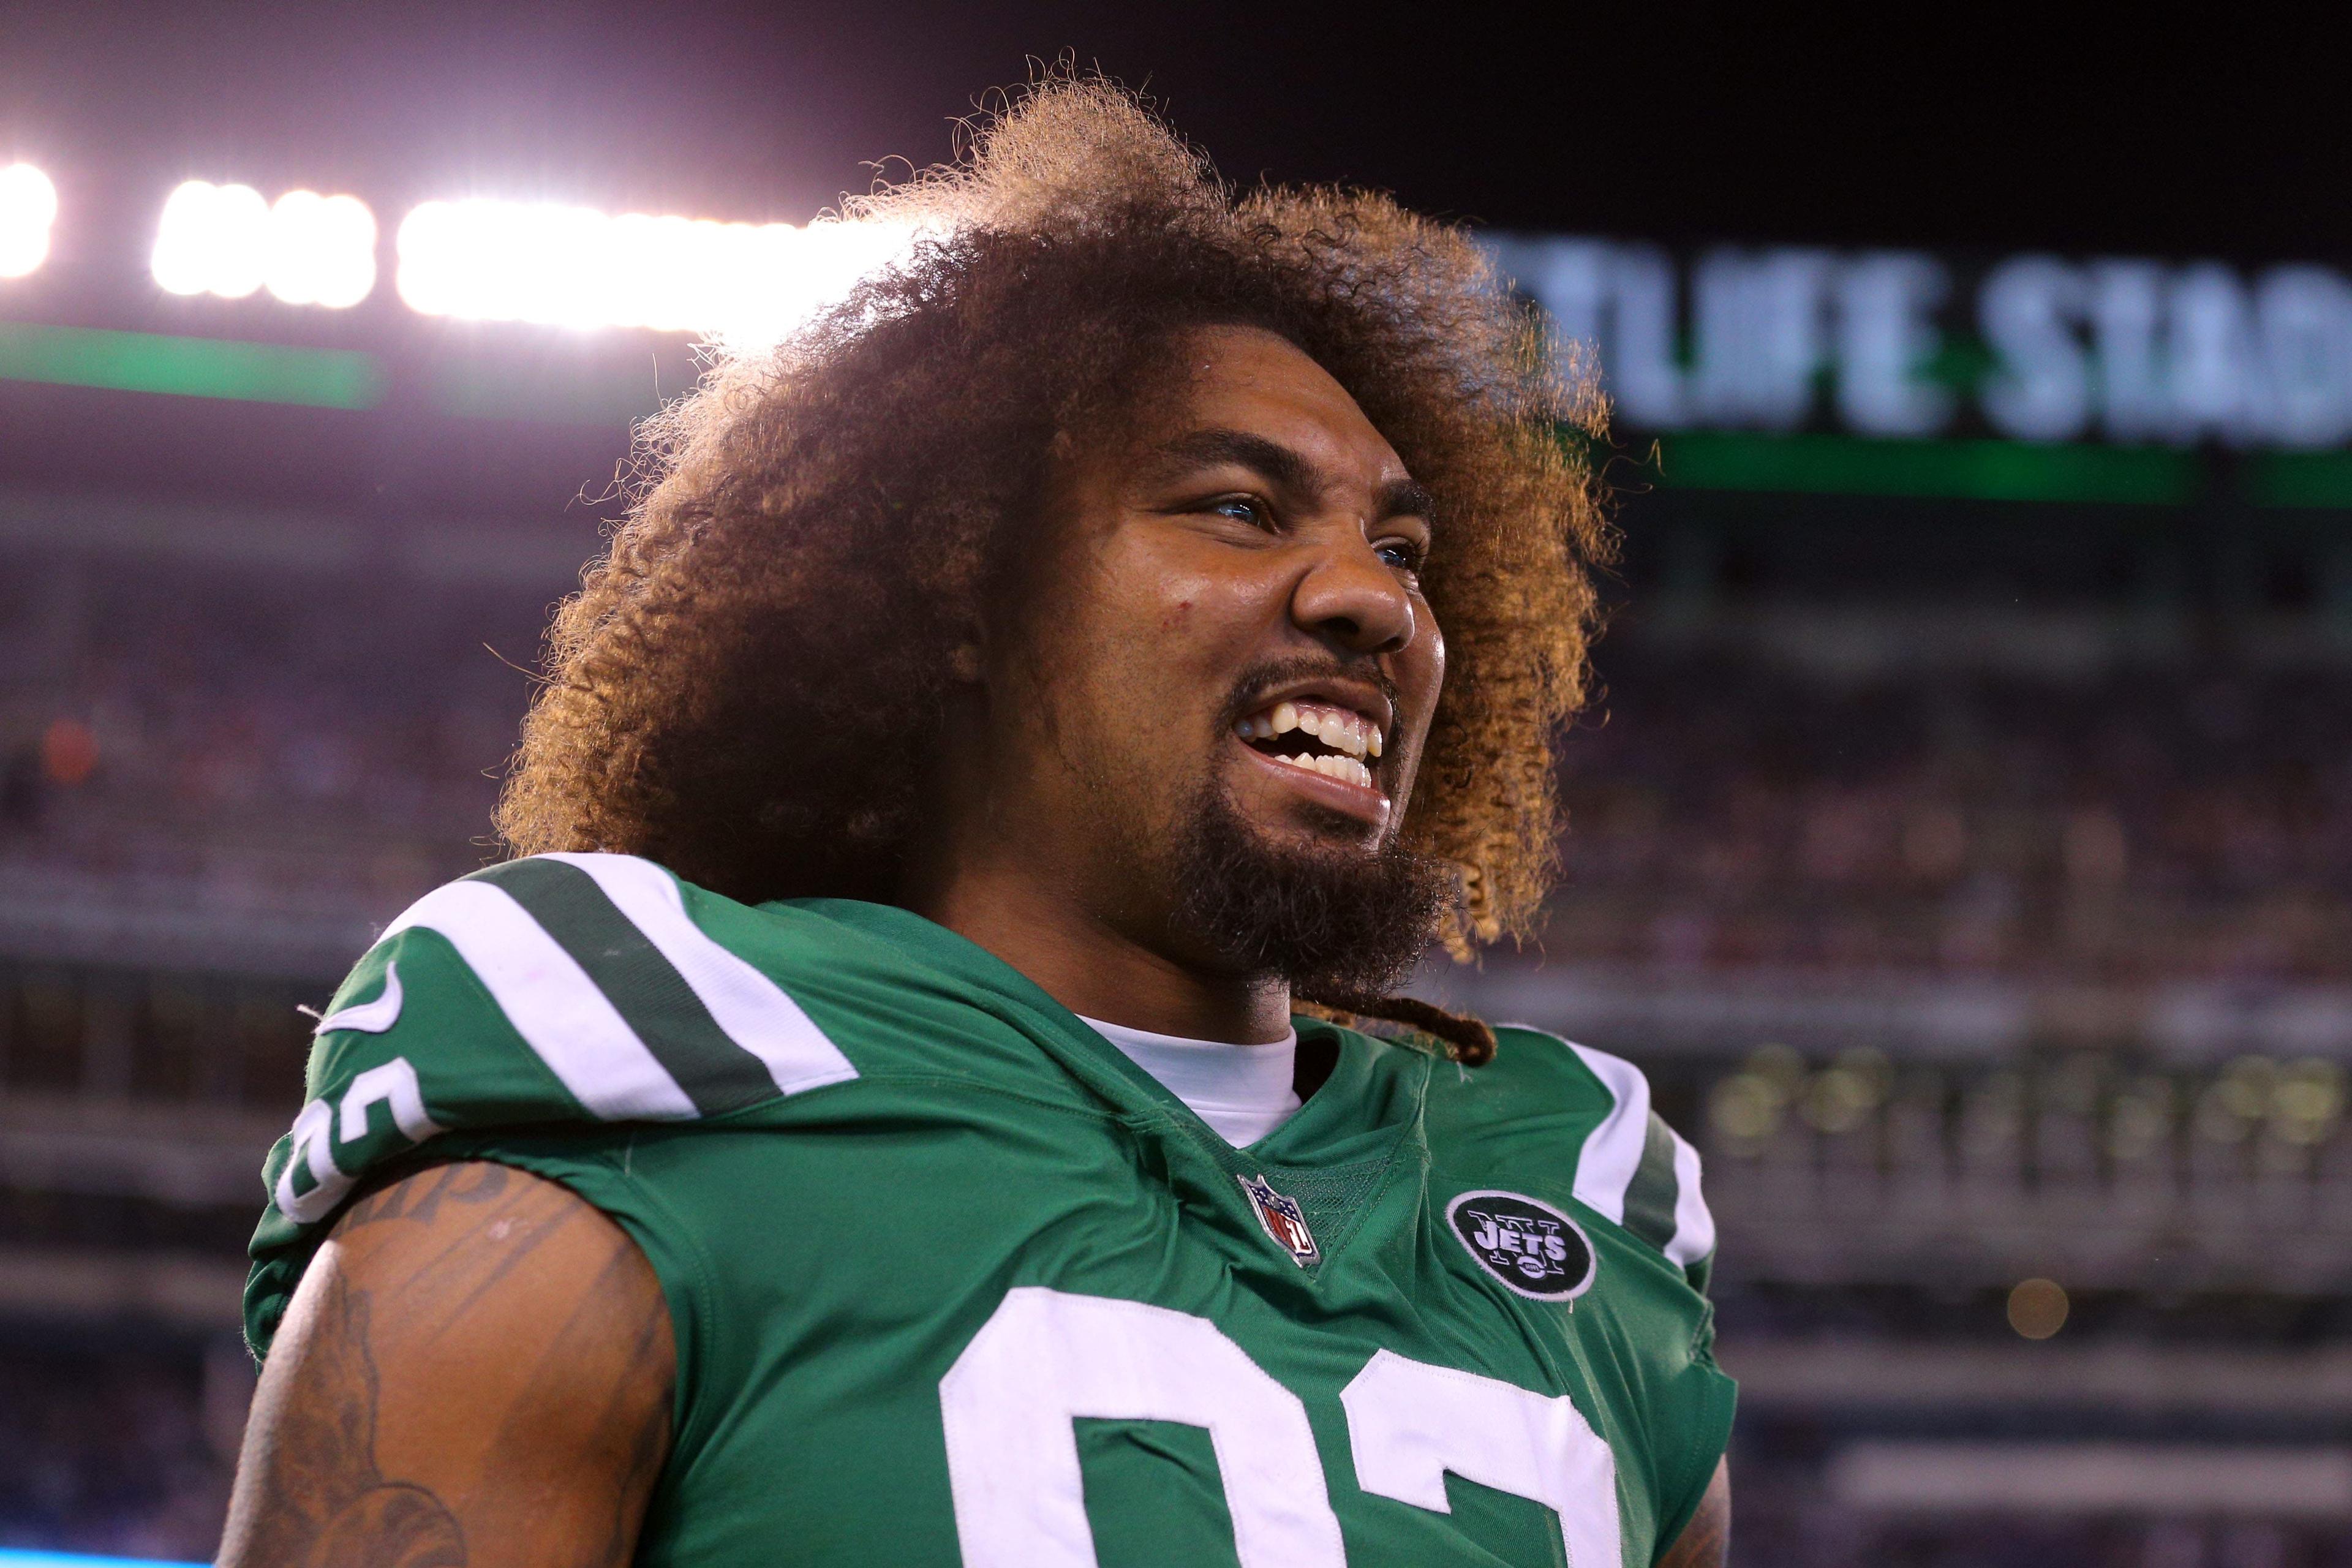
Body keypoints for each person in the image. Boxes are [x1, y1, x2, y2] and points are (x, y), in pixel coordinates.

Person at [220, 77, 1732, 1567]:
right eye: (1237, 507)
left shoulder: (1579, 1199)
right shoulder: (660, 1078)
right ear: (961, 591)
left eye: (1401, 546)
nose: (1373, 598)